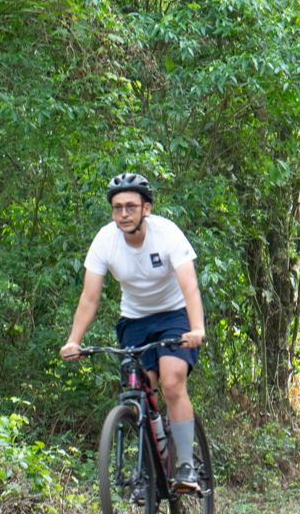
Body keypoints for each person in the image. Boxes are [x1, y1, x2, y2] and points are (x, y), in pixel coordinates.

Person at [59, 173, 208, 494]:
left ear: (146, 208)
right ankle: (152, 468)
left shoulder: (166, 233)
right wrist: (74, 340)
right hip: (134, 322)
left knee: (171, 381)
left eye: (130, 207)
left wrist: (197, 328)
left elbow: (190, 285)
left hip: (175, 316)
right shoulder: (105, 240)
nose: (123, 214)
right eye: (116, 208)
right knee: (141, 392)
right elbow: (90, 297)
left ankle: (185, 465)